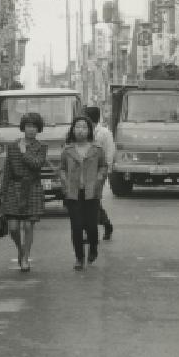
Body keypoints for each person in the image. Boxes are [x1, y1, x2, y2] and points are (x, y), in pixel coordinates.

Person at [0, 112, 48, 272]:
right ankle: (20, 250)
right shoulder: (12, 146)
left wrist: (24, 152)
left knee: (28, 226)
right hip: (14, 188)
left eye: (34, 126)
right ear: (23, 128)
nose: (31, 130)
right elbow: (7, 171)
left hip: (32, 188)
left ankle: (26, 257)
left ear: (38, 129)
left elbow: (37, 165)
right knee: (13, 228)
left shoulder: (41, 147)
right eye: (28, 126)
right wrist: (3, 192)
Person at [60, 116, 108, 271]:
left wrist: (99, 179)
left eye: (84, 127)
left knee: (92, 227)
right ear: (73, 130)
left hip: (91, 193)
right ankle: (79, 257)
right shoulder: (67, 150)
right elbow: (62, 168)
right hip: (73, 193)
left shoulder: (97, 149)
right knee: (77, 226)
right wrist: (65, 182)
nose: (81, 130)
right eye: (78, 127)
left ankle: (93, 248)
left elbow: (103, 166)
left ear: (89, 130)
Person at [84, 107, 114, 240]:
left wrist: (105, 171)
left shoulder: (104, 133)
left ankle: (91, 233)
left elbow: (110, 152)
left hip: (99, 172)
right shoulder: (83, 132)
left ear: (90, 118)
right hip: (84, 172)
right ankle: (106, 224)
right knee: (88, 201)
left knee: (93, 200)